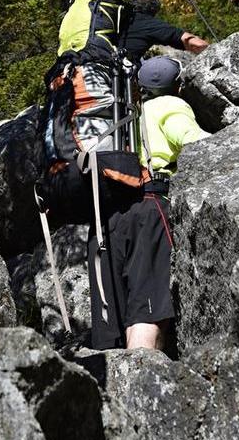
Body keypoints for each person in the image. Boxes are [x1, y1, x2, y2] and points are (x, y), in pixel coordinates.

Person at [88, 56, 207, 351]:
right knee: (147, 306)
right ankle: (146, 389)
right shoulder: (170, 106)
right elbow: (198, 144)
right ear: (177, 86)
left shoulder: (120, 114)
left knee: (114, 316)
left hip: (107, 214)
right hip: (150, 207)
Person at [125, 0, 209, 62]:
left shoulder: (120, 17)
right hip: (119, 74)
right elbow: (198, 44)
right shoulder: (151, 24)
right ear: (153, 10)